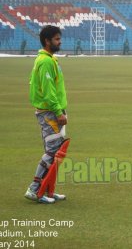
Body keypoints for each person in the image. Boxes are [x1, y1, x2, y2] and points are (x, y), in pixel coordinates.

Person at [24, 25, 68, 204]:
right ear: (47, 41)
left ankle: (48, 189)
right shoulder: (45, 62)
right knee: (51, 152)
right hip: (49, 113)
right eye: (56, 39)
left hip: (53, 111)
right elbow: (48, 91)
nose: (60, 41)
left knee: (57, 152)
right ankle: (34, 189)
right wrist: (58, 112)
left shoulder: (49, 59)